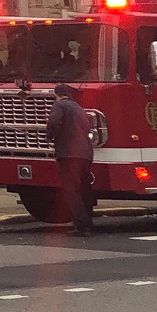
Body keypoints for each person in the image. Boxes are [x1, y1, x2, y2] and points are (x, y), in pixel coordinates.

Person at [45, 83, 95, 235]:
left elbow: (54, 122)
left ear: (57, 94)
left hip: (68, 154)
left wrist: (49, 136)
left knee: (71, 190)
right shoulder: (79, 108)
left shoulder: (59, 105)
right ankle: (88, 221)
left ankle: (81, 225)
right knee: (84, 189)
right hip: (85, 154)